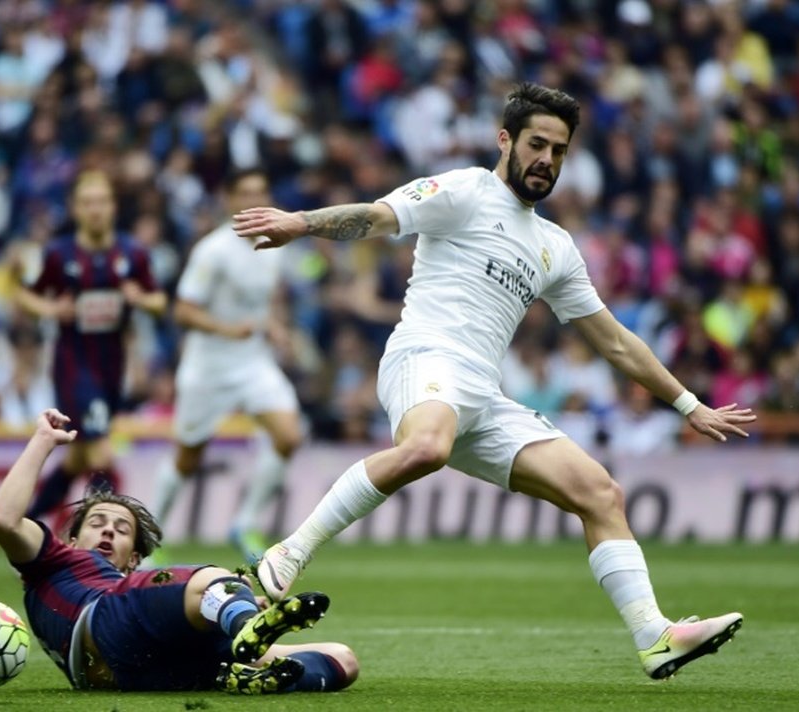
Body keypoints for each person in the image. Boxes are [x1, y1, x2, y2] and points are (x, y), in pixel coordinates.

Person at [233, 82, 757, 680]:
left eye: (559, 151)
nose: (547, 160)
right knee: (426, 446)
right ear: (505, 139)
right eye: (537, 144)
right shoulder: (463, 191)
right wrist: (300, 223)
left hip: (483, 395)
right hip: (424, 359)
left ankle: (654, 635)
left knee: (600, 494)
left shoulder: (554, 246)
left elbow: (613, 339)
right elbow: (376, 217)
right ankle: (289, 551)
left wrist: (689, 404)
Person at [0, 408, 359, 694]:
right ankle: (245, 624)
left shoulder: (129, 587)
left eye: (121, 530)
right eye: (98, 522)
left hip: (146, 672)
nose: (108, 531)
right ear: (71, 541)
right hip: (102, 624)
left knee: (343, 659)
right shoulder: (50, 562)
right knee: (215, 580)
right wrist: (42, 440)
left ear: (134, 560)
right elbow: (4, 519)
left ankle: (252, 666)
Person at [152, 168, 303, 563]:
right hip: (208, 367)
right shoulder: (213, 250)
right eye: (245, 193)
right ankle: (149, 540)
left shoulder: (276, 243)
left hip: (252, 362)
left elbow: (262, 301)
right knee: (188, 458)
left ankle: (244, 522)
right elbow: (182, 311)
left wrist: (275, 327)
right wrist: (225, 328)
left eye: (261, 191)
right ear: (229, 200)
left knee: (288, 436)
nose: (254, 199)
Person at [15, 170, 167, 518]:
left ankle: (27, 523)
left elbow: (160, 302)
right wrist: (52, 308)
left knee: (79, 458)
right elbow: (25, 295)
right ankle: (103, 546)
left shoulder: (133, 253)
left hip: (113, 365)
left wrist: (140, 299)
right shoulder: (58, 254)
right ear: (76, 209)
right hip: (73, 364)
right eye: (87, 203)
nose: (95, 209)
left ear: (113, 207)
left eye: (101, 201)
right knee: (100, 456)